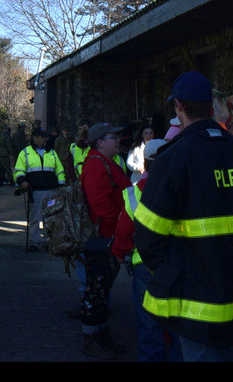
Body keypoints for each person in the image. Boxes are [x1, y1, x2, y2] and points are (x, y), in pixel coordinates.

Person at [134, 72, 233, 362]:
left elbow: (147, 236)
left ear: (179, 106)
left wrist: (173, 271)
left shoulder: (172, 160)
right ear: (211, 105)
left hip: (197, 298)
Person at [112, 138, 183, 362]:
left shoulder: (134, 193)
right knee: (179, 326)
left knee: (149, 325)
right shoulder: (183, 187)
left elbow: (124, 230)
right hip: (177, 265)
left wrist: (120, 254)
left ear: (145, 163)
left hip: (144, 266)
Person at [78, 122, 134, 358]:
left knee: (101, 289)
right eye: (114, 137)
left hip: (108, 237)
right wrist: (119, 228)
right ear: (100, 142)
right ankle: (91, 337)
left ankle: (100, 333)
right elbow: (101, 206)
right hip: (103, 239)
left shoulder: (104, 162)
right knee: (96, 289)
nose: (118, 141)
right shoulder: (96, 164)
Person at [14, 128, 66, 251]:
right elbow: (19, 171)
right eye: (43, 137)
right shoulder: (25, 152)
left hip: (52, 191)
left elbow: (60, 171)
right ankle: (35, 242)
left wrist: (62, 185)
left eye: (46, 137)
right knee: (35, 218)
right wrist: (22, 181)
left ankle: (50, 241)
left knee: (51, 218)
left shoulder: (52, 153)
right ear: (35, 138)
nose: (46, 139)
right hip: (35, 191)